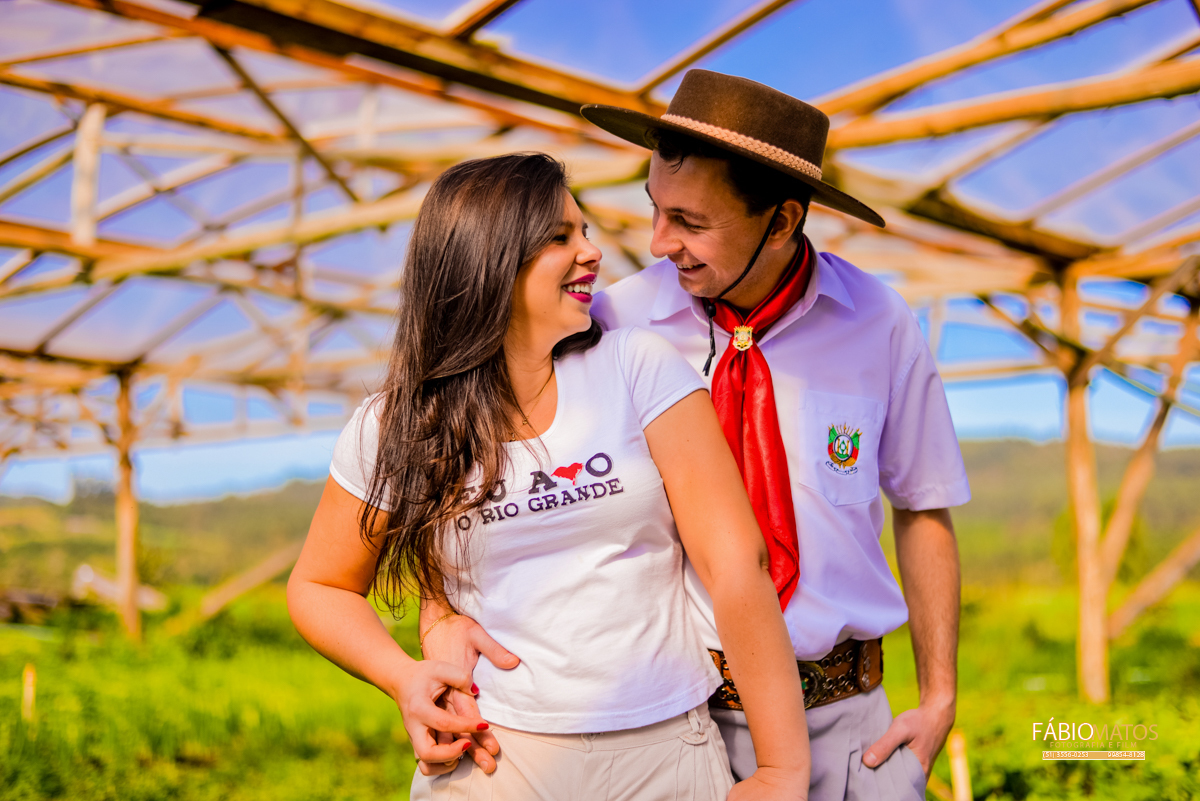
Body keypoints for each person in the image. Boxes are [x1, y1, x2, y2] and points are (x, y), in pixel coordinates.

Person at [424, 71, 970, 801]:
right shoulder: (613, 321)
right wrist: (441, 613)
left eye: (690, 221)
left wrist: (938, 698)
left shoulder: (880, 322)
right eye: (655, 209)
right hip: (680, 726)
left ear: (781, 221)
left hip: (853, 725)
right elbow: (498, 471)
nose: (658, 242)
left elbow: (923, 505)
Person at [287, 152, 811, 801]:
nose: (591, 252)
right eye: (561, 237)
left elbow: (738, 566)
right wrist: (402, 675)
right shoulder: (395, 421)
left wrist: (782, 769)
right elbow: (319, 584)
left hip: (664, 750)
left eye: (584, 231)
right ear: (489, 259)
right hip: (492, 756)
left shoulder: (637, 367)